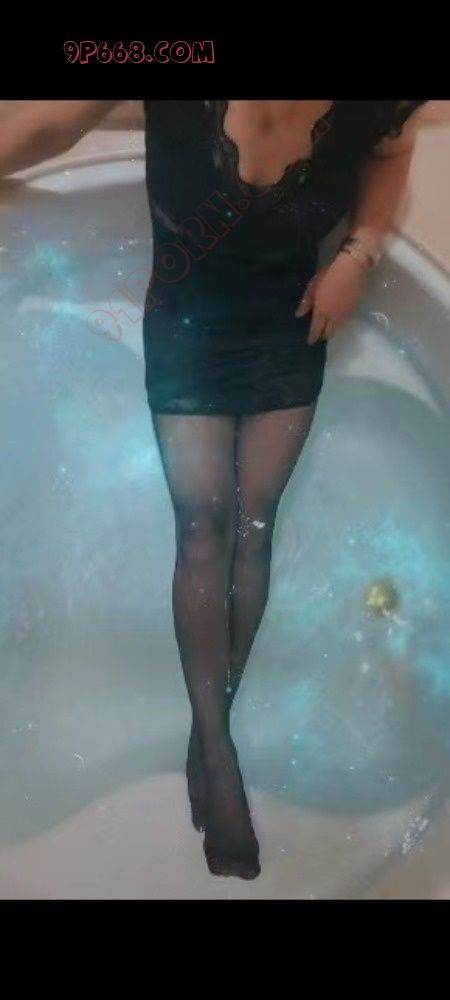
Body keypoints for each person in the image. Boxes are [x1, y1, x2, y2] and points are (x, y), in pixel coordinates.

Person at [0, 98, 429, 880]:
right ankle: (220, 753)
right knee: (203, 528)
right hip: (188, 327)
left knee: (254, 525)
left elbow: (392, 152)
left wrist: (358, 253)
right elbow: (48, 124)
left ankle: (206, 735)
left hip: (288, 324)